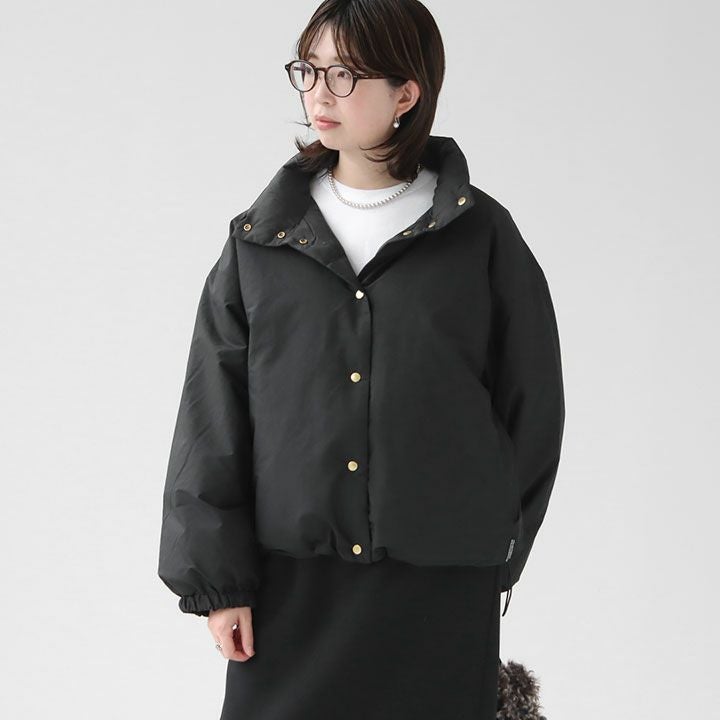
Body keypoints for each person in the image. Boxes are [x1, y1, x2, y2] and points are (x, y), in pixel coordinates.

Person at [157, 1, 566, 718]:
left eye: (344, 74)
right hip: (290, 588)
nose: (319, 93)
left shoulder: (482, 236)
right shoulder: (261, 241)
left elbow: (532, 406)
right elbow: (212, 418)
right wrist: (219, 584)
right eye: (308, 70)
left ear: (406, 92)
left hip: (441, 585)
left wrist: (496, 551)